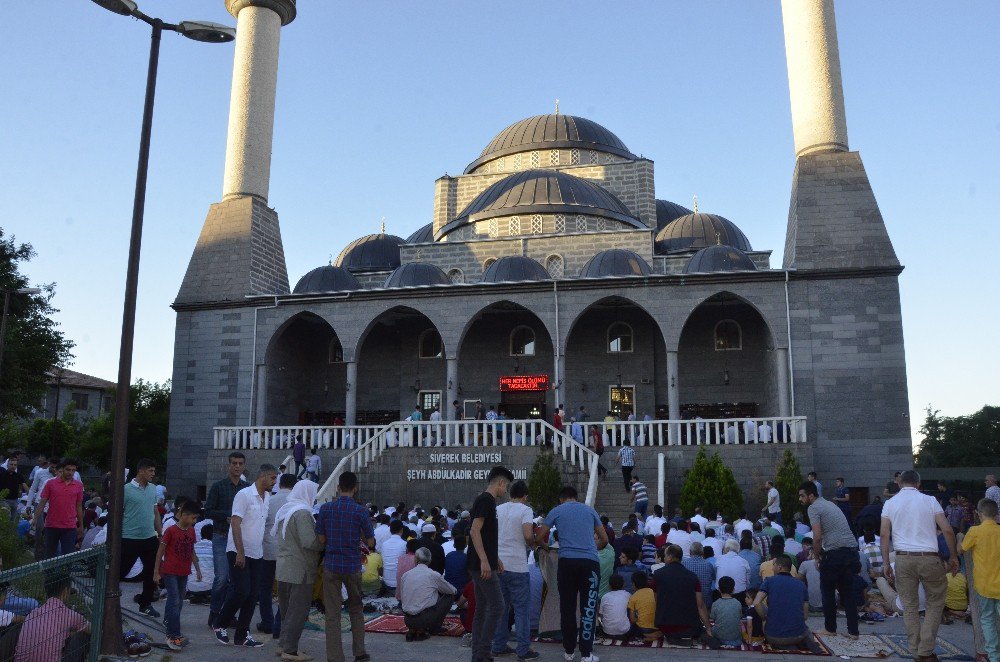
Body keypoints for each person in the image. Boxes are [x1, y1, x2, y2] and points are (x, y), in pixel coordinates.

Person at [880, 469, 958, 661]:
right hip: (929, 558)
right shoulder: (930, 501)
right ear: (919, 484)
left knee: (910, 606)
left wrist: (885, 563)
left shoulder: (890, 503)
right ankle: (926, 649)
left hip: (903, 559)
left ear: (899, 483)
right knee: (935, 602)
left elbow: (884, 535)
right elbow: (947, 530)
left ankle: (916, 650)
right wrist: (953, 556)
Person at [534, 484, 609, 662]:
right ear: (576, 497)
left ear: (561, 498)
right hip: (589, 564)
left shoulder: (557, 510)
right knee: (588, 607)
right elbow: (605, 539)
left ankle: (568, 651)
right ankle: (586, 654)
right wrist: (592, 549)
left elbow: (539, 537)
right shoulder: (590, 511)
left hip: (566, 563)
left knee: (567, 608)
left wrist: (548, 548)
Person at [214, 464, 276, 648]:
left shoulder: (267, 497)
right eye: (272, 478)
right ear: (262, 476)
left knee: (252, 595)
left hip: (257, 553)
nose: (275, 482)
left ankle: (242, 635)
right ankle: (220, 623)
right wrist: (240, 552)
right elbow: (235, 523)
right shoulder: (244, 495)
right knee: (241, 590)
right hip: (238, 551)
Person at [316, 470, 374, 662]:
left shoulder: (325, 509)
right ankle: (359, 652)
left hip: (331, 565)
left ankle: (335, 657)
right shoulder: (361, 511)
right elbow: (371, 541)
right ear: (355, 488)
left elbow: (321, 539)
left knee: (332, 614)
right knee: (356, 609)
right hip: (352, 565)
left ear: (338, 487)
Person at [798, 480, 860, 639]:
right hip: (851, 552)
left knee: (827, 591)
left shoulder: (814, 507)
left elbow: (817, 537)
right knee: (848, 594)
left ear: (811, 496)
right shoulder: (830, 504)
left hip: (834, 553)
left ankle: (830, 628)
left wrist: (817, 557)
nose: (800, 499)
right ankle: (853, 632)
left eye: (802, 496)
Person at [468, 466, 514, 662]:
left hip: (482, 562)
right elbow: (474, 531)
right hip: (481, 565)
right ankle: (482, 653)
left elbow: (486, 535)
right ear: (501, 483)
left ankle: (478, 653)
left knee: (483, 608)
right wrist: (485, 561)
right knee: (498, 606)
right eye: (506, 486)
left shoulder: (488, 502)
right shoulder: (486, 500)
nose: (506, 491)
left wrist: (494, 558)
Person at [273, 479, 321, 661]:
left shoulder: (286, 511)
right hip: (300, 570)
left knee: (286, 611)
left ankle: (283, 645)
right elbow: (309, 541)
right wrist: (323, 542)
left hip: (284, 568)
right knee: (297, 612)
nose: (314, 498)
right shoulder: (302, 513)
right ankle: (290, 650)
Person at [491, 480, 538, 660]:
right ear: (525, 496)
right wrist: (533, 544)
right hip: (517, 566)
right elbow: (527, 535)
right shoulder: (525, 510)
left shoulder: (498, 509)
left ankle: (499, 645)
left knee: (501, 608)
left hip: (499, 564)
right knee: (521, 610)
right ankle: (523, 649)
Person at [204, 451, 249, 629]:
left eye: (240, 463)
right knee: (221, 578)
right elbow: (208, 510)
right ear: (228, 465)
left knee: (234, 580)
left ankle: (227, 615)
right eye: (234, 463)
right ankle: (214, 613)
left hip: (238, 539)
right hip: (221, 535)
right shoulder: (218, 486)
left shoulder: (247, 488)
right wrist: (227, 517)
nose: (237, 466)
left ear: (244, 466)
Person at [153, 499, 202, 650]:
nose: (194, 521)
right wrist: (156, 572)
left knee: (179, 601)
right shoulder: (171, 531)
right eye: (193, 518)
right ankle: (173, 635)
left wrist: (197, 568)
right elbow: (160, 551)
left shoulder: (192, 531)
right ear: (184, 515)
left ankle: (168, 622)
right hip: (170, 571)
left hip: (184, 571)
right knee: (174, 600)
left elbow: (192, 550)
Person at [751, 555, 822, 653]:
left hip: (773, 636)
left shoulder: (769, 581)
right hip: (799, 634)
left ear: (779, 567)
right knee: (806, 632)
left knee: (768, 612)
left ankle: (788, 646)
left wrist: (764, 618)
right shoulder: (801, 584)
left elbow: (756, 603)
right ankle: (799, 644)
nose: (772, 568)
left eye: (774, 565)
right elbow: (805, 616)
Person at [13, 573, 90, 662]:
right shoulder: (69, 615)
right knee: (84, 635)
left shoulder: (32, 614)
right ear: (65, 591)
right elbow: (93, 629)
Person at [652, 544, 717, 646]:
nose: (664, 558)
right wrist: (708, 628)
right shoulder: (692, 577)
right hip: (689, 627)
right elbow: (700, 606)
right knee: (699, 629)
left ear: (669, 557)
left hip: (665, 626)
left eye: (665, 555)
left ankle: (674, 638)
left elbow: (656, 600)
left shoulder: (657, 574)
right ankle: (701, 636)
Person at [960, 498, 1000, 662]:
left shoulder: (974, 531)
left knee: (988, 619)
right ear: (997, 515)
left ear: (978, 514)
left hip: (983, 585)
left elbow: (962, 549)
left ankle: (994, 656)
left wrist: (958, 538)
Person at [260, 473, 295, 636]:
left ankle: (267, 622)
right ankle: (279, 624)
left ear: (279, 484)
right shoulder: (296, 502)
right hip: (287, 551)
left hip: (267, 549)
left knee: (265, 588)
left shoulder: (270, 500)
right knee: (285, 589)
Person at [400, 547, 457, 640]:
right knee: (449, 596)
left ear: (416, 559)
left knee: (432, 593)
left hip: (407, 620)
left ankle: (414, 629)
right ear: (430, 560)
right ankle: (434, 627)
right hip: (424, 619)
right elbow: (453, 590)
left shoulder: (406, 575)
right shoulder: (433, 575)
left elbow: (402, 597)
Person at [31, 458, 84, 559]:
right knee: (49, 555)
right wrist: (35, 518)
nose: (71, 472)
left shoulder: (78, 485)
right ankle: (49, 574)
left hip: (70, 526)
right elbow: (42, 502)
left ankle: (65, 575)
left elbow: (79, 506)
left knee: (68, 556)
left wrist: (81, 525)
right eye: (68, 469)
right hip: (52, 525)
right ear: (62, 469)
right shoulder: (51, 484)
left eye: (73, 470)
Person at [710, 576, 744, 647]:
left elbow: (713, 618)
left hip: (719, 637)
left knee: (711, 628)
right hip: (736, 638)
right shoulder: (738, 603)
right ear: (733, 590)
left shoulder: (715, 603)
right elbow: (740, 616)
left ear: (719, 589)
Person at [627, 572, 657, 641]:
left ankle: (646, 636)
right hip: (658, 626)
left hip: (643, 628)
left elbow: (633, 619)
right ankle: (656, 634)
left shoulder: (633, 597)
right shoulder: (653, 592)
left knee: (632, 629)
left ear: (634, 584)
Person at [380, 520, 408, 596]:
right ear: (402, 530)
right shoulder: (404, 544)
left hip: (386, 581)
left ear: (390, 530)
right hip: (399, 582)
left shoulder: (384, 544)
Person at [0, 456, 27, 520]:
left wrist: (31, 495)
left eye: (15, 465)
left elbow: (24, 484)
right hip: (4, 500)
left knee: (13, 519)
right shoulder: (2, 474)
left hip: (15, 500)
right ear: (7, 465)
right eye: (11, 464)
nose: (13, 466)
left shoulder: (18, 475)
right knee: (7, 516)